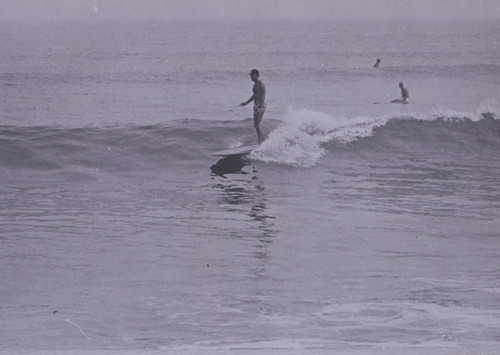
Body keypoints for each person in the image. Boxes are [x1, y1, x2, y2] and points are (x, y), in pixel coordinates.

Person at [240, 69, 266, 143]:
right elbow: (255, 96)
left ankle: (260, 142)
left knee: (257, 124)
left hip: (260, 105)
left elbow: (262, 97)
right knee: (256, 125)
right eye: (250, 75)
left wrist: (260, 108)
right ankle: (262, 140)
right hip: (257, 105)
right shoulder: (255, 85)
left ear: (256, 75)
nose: (251, 77)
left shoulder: (261, 85)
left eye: (252, 75)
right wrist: (246, 103)